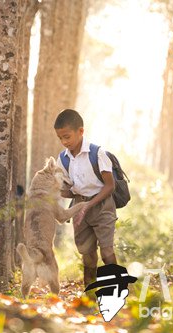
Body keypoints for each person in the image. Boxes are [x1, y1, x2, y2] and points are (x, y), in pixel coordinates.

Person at [54, 108, 118, 286]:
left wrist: (88, 206)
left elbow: (110, 186)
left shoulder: (97, 154)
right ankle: (90, 294)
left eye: (67, 136)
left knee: (106, 252)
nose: (64, 142)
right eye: (60, 138)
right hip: (79, 206)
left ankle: (117, 290)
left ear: (81, 131)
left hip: (102, 204)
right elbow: (70, 190)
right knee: (87, 254)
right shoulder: (63, 159)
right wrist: (54, 192)